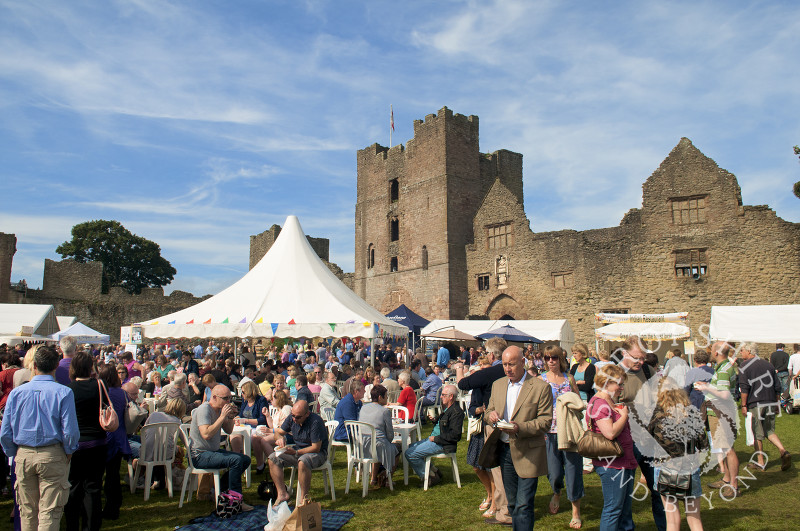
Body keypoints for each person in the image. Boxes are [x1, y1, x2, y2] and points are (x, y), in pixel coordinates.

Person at [0, 345, 80, 531]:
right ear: (55, 366)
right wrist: (68, 451)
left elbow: (5, 431)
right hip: (51, 454)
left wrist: (14, 453)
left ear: (34, 366)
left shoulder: (17, 393)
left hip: (25, 455)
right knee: (49, 512)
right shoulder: (63, 392)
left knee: (28, 512)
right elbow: (70, 431)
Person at [484, 346, 553, 530]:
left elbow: (545, 421)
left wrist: (519, 428)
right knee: (513, 504)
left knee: (524, 505)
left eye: (512, 364)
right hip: (505, 452)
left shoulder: (540, 387)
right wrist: (490, 416)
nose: (507, 368)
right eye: (505, 364)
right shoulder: (498, 385)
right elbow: (488, 411)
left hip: (529, 452)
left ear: (523, 362)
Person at [457, 337, 511, 524]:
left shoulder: (494, 371)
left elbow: (462, 384)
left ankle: (501, 507)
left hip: (493, 421)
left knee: (494, 465)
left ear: (491, 354)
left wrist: (459, 370)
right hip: (510, 421)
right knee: (504, 465)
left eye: (485, 353)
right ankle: (500, 502)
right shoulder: (512, 370)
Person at [616, 336, 666, 531]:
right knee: (626, 490)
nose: (640, 362)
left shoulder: (648, 370)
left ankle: (665, 526)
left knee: (658, 487)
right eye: (637, 357)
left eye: (643, 357)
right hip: (626, 440)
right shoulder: (614, 374)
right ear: (623, 353)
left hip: (650, 439)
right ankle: (627, 527)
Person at [648, 384, 707, 531]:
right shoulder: (692, 415)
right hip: (689, 467)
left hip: (664, 468)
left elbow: (647, 438)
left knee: (672, 519)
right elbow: (704, 443)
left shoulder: (656, 416)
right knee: (694, 518)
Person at [587, 364, 636, 531]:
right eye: (619, 384)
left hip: (622, 462)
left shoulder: (608, 401)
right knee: (613, 509)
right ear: (606, 383)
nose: (621, 388)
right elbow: (610, 433)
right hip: (612, 465)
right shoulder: (600, 403)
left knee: (624, 510)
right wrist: (624, 416)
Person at [188, 385, 254, 510]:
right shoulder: (204, 410)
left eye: (230, 398)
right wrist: (222, 416)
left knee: (245, 459)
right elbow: (206, 434)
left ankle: (222, 491)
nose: (228, 402)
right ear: (214, 397)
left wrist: (230, 417)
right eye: (225, 399)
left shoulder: (219, 409)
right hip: (199, 454)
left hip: (211, 452)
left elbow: (229, 430)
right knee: (236, 460)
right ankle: (236, 500)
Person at [540, 345, 584, 529]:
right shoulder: (540, 380)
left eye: (555, 358)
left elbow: (578, 402)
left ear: (561, 359)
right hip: (549, 433)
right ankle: (557, 491)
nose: (551, 361)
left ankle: (576, 511)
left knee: (574, 472)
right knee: (555, 472)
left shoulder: (569, 378)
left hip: (569, 432)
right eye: (548, 358)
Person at [65, 351, 109, 531]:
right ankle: (91, 526)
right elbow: (106, 406)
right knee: (93, 487)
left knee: (74, 487)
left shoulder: (69, 389)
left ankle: (72, 525)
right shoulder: (99, 385)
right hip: (97, 441)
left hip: (77, 443)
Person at [695, 341, 740, 496]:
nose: (709, 352)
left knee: (728, 449)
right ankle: (727, 479)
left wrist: (706, 388)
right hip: (719, 412)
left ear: (716, 353)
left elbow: (725, 394)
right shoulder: (723, 367)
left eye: (711, 349)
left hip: (722, 412)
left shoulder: (723, 369)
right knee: (724, 447)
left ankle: (733, 485)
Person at [737, 342, 791, 471]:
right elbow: (777, 386)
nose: (741, 352)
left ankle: (760, 462)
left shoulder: (744, 366)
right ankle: (783, 450)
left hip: (756, 403)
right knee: (769, 430)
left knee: (757, 432)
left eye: (742, 350)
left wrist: (743, 405)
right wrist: (777, 403)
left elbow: (744, 388)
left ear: (749, 351)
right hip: (771, 401)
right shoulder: (768, 365)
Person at [268, 400, 328, 503]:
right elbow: (279, 432)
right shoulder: (292, 418)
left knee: (303, 462)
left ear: (307, 414)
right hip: (297, 451)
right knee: (272, 458)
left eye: (298, 417)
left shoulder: (315, 421)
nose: (294, 419)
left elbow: (316, 447)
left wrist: (296, 453)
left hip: (318, 454)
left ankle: (303, 499)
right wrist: (279, 438)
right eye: (293, 416)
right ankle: (282, 494)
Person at [405, 384, 464, 487]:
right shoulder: (448, 409)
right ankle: (435, 471)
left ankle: (429, 476)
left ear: (451, 397)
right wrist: (435, 420)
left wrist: (436, 438)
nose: (441, 396)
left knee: (410, 453)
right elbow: (445, 424)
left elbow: (455, 435)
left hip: (442, 444)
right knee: (411, 447)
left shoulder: (456, 412)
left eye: (443, 395)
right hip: (436, 440)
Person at [462, 356, 498, 518]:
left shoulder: (496, 385)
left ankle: (495, 501)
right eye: (480, 365)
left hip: (491, 428)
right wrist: (479, 410)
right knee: (476, 466)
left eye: (486, 365)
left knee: (491, 468)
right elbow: (471, 409)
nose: (483, 368)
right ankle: (489, 494)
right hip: (479, 429)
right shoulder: (477, 387)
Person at [98, 364, 130, 520]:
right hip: (119, 436)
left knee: (100, 475)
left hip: (105, 436)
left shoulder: (102, 393)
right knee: (113, 474)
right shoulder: (122, 394)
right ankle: (114, 506)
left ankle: (106, 507)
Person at [358, 384, 400, 487]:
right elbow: (390, 434)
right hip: (377, 445)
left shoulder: (363, 408)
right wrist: (388, 441)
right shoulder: (384, 411)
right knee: (398, 448)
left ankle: (373, 479)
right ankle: (386, 477)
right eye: (386, 396)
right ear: (380, 397)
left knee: (378, 445)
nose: (387, 398)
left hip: (362, 446)